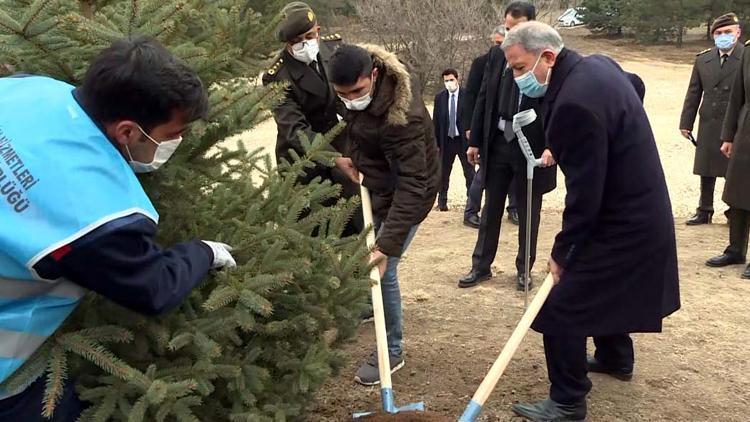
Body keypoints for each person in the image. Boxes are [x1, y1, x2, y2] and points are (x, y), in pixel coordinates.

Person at [0, 36, 236, 421]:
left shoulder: (29, 88)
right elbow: (153, 288)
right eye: (171, 134)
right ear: (127, 132)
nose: (177, 142)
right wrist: (203, 251)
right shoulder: (99, 214)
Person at [501, 22, 680, 421]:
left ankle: (566, 401)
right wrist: (574, 137)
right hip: (642, 208)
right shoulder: (597, 65)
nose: (516, 79)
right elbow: (632, 86)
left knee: (561, 303)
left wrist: (562, 253)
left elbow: (584, 195)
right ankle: (616, 357)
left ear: (548, 56)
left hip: (621, 219)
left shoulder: (573, 104)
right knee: (605, 290)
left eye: (519, 68)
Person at [328, 44, 439, 386]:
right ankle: (369, 307)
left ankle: (391, 350)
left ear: (374, 75)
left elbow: (412, 185)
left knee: (382, 268)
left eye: (358, 91)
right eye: (343, 94)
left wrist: (387, 246)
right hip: (378, 182)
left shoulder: (403, 117)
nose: (350, 99)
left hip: (410, 195)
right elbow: (358, 126)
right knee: (370, 260)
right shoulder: (354, 92)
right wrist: (350, 157)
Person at [459, 1, 557, 291]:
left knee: (528, 211)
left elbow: (556, 105)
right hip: (499, 142)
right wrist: (475, 139)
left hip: (531, 147)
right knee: (491, 208)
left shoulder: (546, 57)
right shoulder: (495, 56)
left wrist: (552, 146)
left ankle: (524, 270)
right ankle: (481, 266)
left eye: (517, 28)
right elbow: (483, 100)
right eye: (507, 27)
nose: (510, 34)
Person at [262, 1, 361, 235]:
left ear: (318, 31)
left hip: (343, 154)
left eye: (308, 36)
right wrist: (334, 159)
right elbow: (295, 130)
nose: (303, 44)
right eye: (296, 41)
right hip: (303, 166)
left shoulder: (334, 49)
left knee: (353, 229)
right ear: (287, 43)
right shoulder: (276, 76)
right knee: (315, 237)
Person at [680, 13, 744, 226]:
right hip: (709, 120)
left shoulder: (746, 56)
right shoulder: (703, 59)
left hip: (737, 122)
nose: (723, 36)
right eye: (718, 33)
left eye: (728, 32)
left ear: (738, 33)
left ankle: (734, 210)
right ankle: (704, 209)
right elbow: (693, 92)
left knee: (734, 170)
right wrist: (686, 122)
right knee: (706, 167)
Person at [464, 25, 520, 228]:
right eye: (496, 43)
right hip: (489, 130)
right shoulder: (482, 62)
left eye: (502, 43)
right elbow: (473, 95)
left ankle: (513, 209)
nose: (498, 47)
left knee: (515, 172)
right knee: (482, 175)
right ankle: (471, 210)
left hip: (513, 128)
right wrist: (472, 128)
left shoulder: (520, 62)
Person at [708, 37, 750, 279]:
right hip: (745, 131)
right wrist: (728, 135)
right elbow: (737, 96)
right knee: (738, 192)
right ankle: (735, 250)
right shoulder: (748, 51)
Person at [433, 68, 475, 212]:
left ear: (457, 79)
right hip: (447, 141)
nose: (449, 83)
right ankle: (442, 202)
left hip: (463, 141)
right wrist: (436, 143)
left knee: (469, 172)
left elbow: (473, 118)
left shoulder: (467, 95)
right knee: (443, 173)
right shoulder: (440, 98)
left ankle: (472, 203)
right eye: (446, 81)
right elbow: (436, 122)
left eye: (451, 80)